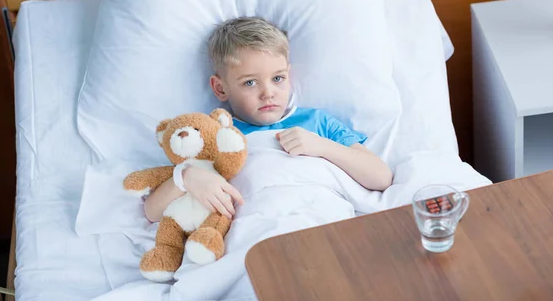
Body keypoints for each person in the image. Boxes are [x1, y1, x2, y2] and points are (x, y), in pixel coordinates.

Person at [144, 17, 393, 222]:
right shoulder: (214, 136)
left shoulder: (317, 122)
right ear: (220, 89)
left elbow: (381, 178)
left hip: (323, 220)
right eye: (250, 82)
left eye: (277, 78)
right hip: (259, 228)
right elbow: (152, 212)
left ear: (289, 75)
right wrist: (187, 177)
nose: (268, 93)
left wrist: (321, 146)